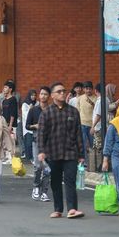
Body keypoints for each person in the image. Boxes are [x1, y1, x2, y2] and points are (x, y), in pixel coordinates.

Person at [38, 82, 85, 219]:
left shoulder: (73, 111)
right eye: (59, 91)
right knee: (55, 182)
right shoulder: (46, 113)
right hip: (52, 153)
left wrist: (81, 154)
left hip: (70, 153)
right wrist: (41, 151)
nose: (62, 93)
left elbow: (78, 134)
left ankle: (72, 209)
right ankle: (58, 209)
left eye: (64, 91)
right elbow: (41, 134)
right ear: (52, 95)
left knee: (70, 181)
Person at [26, 86, 51, 202]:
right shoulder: (33, 110)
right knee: (38, 166)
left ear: (49, 96)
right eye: (41, 94)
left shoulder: (52, 110)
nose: (43, 96)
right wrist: (34, 126)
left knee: (47, 168)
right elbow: (27, 126)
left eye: (45, 94)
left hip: (50, 142)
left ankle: (44, 192)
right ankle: (36, 187)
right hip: (36, 140)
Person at [76, 81, 96, 161]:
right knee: (83, 144)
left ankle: (93, 161)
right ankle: (85, 161)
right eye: (86, 89)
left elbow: (97, 111)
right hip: (82, 124)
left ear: (92, 89)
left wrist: (92, 103)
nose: (88, 90)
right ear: (84, 89)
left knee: (92, 144)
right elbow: (77, 111)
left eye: (90, 89)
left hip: (92, 125)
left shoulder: (96, 98)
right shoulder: (80, 98)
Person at [0, 81, 18, 165]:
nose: (4, 89)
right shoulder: (4, 101)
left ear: (10, 89)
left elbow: (13, 113)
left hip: (11, 124)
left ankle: (12, 158)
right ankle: (7, 157)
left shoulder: (13, 99)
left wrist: (10, 125)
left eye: (6, 87)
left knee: (11, 140)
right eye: (4, 87)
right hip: (4, 123)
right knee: (5, 141)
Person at [21, 90, 37, 164]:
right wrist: (30, 109)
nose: (33, 97)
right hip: (28, 127)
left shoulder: (37, 103)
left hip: (36, 127)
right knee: (29, 143)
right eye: (32, 95)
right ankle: (30, 158)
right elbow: (25, 116)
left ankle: (34, 157)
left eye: (34, 95)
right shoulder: (25, 104)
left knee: (35, 143)